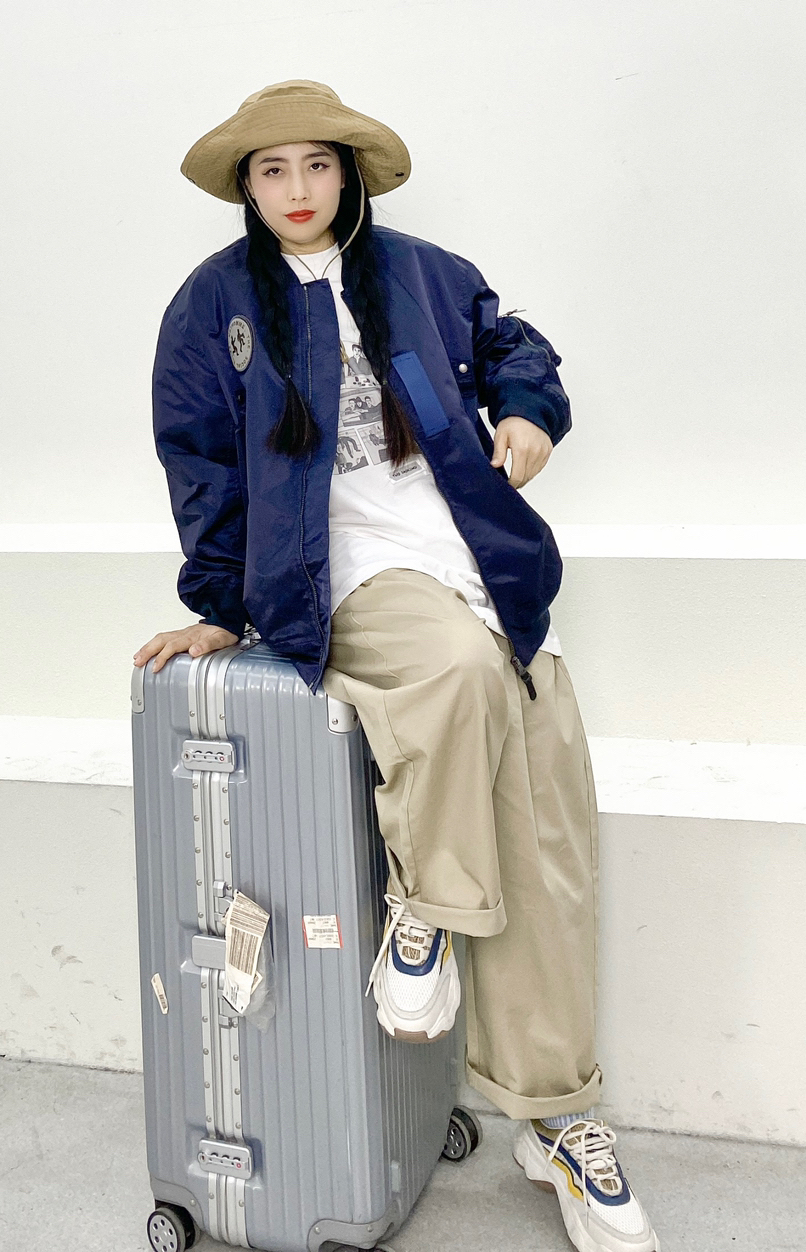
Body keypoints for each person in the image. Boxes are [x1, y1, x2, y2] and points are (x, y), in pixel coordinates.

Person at [133, 81, 659, 1252]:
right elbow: (201, 463)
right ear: (247, 186)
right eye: (272, 170)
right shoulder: (214, 305)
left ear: (349, 172)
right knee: (456, 675)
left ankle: (560, 1115)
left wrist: (527, 409)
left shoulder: (422, 271)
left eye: (317, 165)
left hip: (479, 559)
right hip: (343, 565)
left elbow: (512, 343)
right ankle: (423, 911)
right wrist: (219, 604)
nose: (298, 189)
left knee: (549, 836)